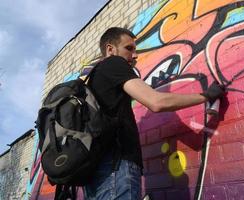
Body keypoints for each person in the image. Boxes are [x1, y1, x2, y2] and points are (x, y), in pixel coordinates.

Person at [83, 27, 225, 200]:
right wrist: (206, 96)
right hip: (116, 169)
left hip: (98, 174)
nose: (135, 55)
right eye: (129, 49)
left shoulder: (94, 77)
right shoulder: (113, 63)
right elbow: (156, 102)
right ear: (110, 49)